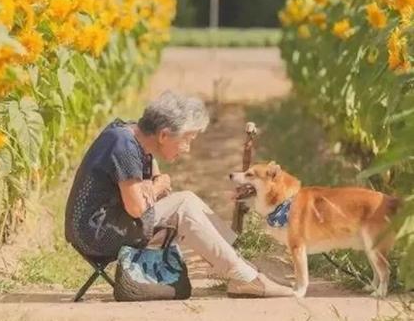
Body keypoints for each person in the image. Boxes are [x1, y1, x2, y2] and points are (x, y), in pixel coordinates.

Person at [65, 90, 293, 297]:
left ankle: (236, 265)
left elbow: (153, 182)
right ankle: (243, 276)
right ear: (164, 135)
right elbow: (137, 207)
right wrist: (157, 186)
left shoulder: (134, 136)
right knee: (183, 205)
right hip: (96, 234)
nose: (187, 149)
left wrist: (154, 185)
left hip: (107, 223)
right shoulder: (124, 146)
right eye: (187, 140)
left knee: (187, 199)